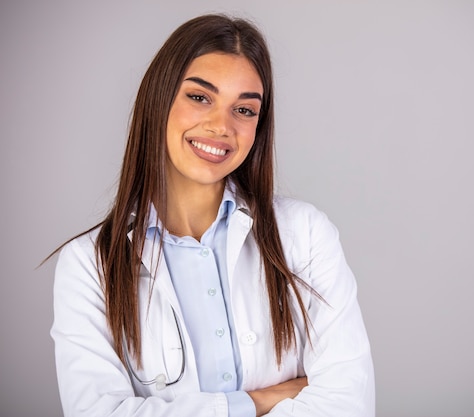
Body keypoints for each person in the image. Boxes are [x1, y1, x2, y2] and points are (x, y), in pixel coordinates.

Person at [49, 13, 375, 417]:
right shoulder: (89, 265)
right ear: (159, 98)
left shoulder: (305, 235)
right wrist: (254, 402)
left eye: (244, 110)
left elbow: (348, 403)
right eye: (200, 97)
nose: (222, 126)